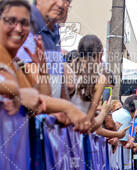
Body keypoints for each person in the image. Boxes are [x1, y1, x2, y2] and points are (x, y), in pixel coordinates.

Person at [0, 0, 88, 130]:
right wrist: (20, 94)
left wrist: (43, 70)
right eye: (11, 21)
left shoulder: (16, 62)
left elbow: (40, 97)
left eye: (24, 23)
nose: (18, 29)